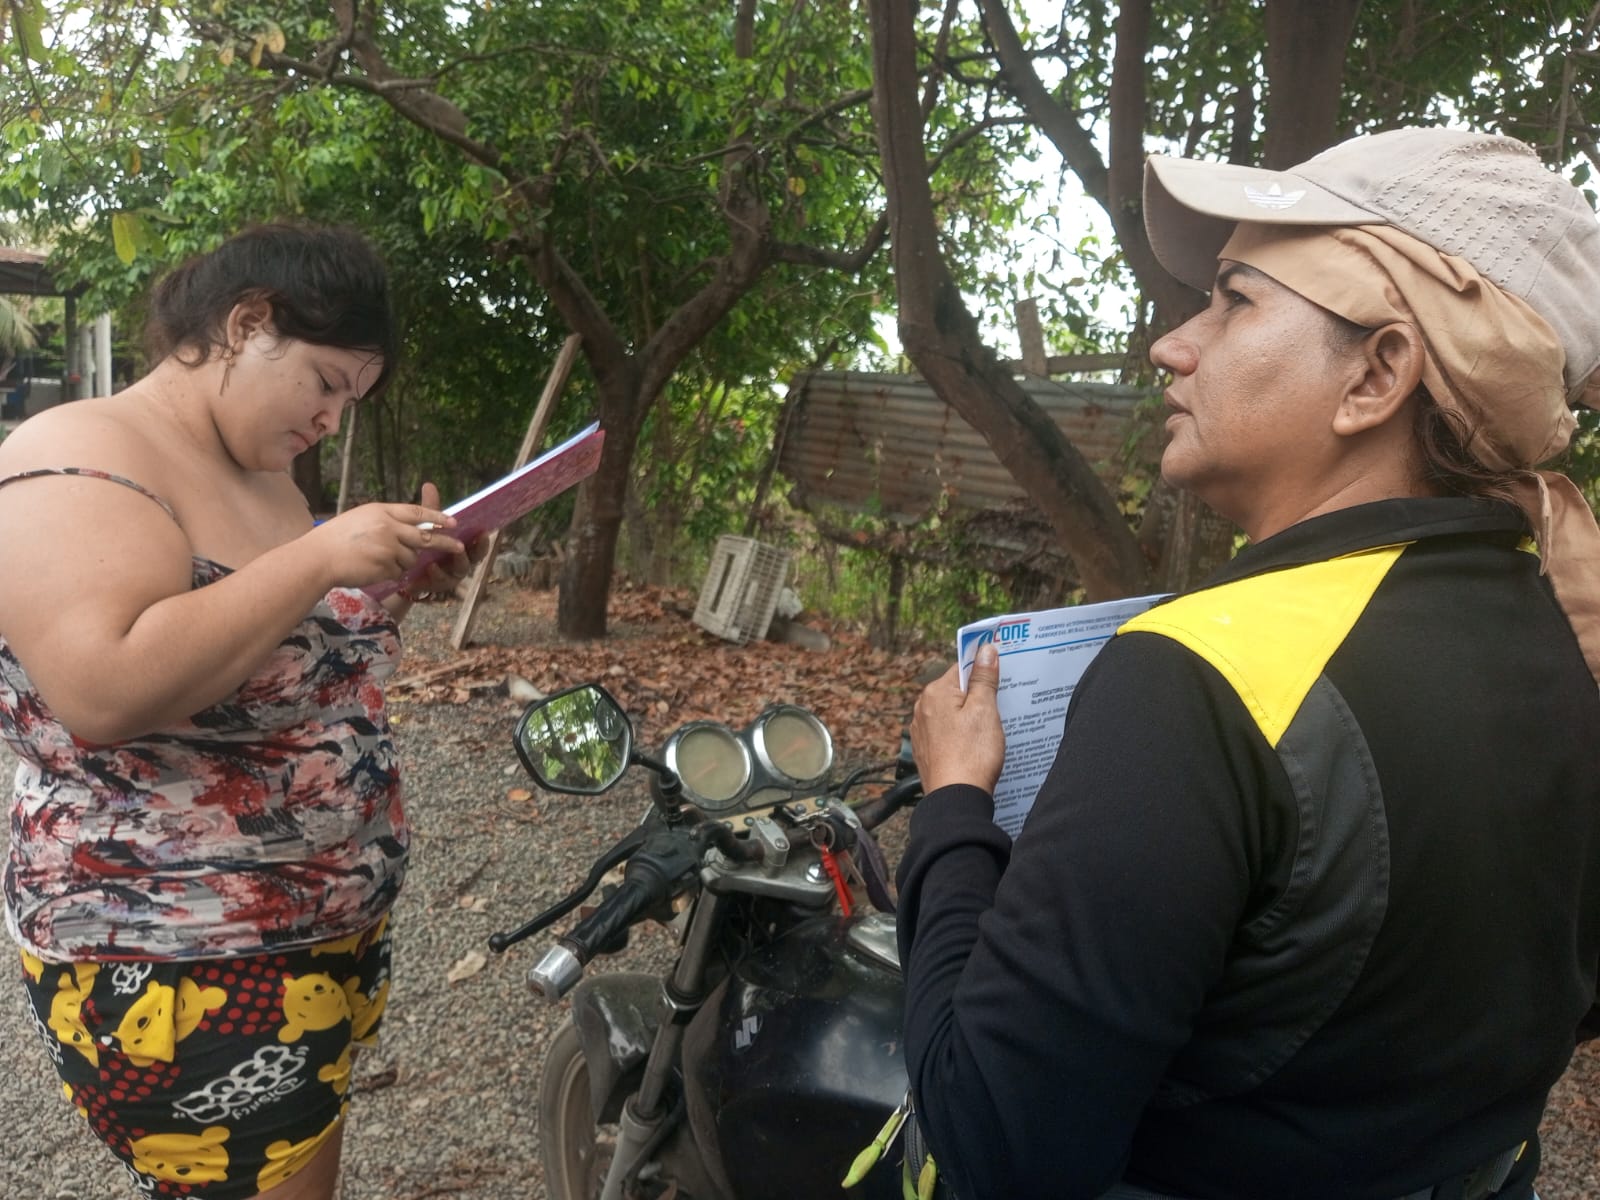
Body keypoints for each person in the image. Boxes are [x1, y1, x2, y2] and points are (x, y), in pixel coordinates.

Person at [899, 127, 1600, 1200]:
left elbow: (998, 1146)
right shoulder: (1560, 628)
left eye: (1233, 301)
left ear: (1377, 374)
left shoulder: (1200, 677)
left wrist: (953, 809)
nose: (1171, 346)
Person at [0, 223, 478, 1200]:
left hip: (310, 937)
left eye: (351, 400)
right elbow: (104, 686)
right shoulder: (76, 450)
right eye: (327, 383)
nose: (331, 420)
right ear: (247, 323)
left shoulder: (267, 479)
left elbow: (259, 654)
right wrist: (321, 555)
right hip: (176, 958)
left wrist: (389, 588)